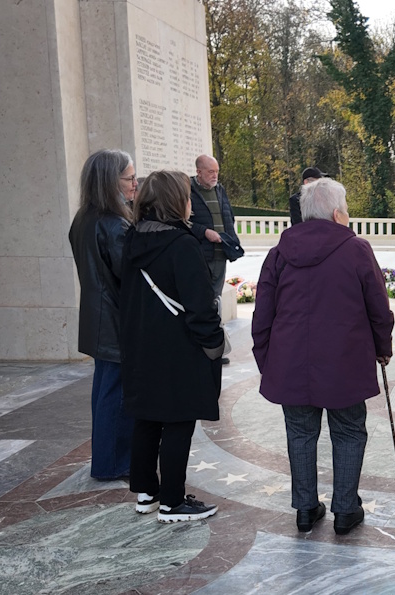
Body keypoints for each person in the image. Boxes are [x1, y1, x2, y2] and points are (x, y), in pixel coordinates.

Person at [252, 178, 393, 535]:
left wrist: (267, 360)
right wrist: (382, 348)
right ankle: (345, 510)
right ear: (336, 213)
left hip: (291, 362)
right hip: (344, 363)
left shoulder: (279, 254)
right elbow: (379, 308)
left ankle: (305, 508)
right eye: (345, 208)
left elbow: (262, 315)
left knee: (299, 433)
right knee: (348, 432)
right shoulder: (357, 249)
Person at [119, 170, 226, 522]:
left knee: (147, 419)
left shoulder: (132, 239)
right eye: (185, 195)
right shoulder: (181, 245)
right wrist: (214, 345)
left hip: (141, 346)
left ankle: (147, 493)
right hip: (178, 348)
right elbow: (200, 304)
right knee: (179, 421)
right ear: (174, 201)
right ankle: (173, 502)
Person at [68, 149, 137, 480]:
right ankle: (114, 463)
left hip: (99, 320)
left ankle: (109, 460)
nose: (135, 185)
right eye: (130, 178)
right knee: (117, 397)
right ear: (112, 181)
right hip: (115, 321)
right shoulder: (114, 225)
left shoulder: (84, 218)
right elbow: (131, 276)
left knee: (105, 392)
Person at [188, 155, 239, 364]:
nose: (215, 175)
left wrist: (231, 241)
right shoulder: (188, 190)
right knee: (202, 301)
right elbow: (186, 222)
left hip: (221, 254)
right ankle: (202, 347)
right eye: (210, 171)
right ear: (199, 172)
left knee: (215, 300)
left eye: (216, 171)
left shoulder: (220, 189)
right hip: (200, 255)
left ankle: (217, 349)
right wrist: (204, 232)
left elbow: (228, 215)